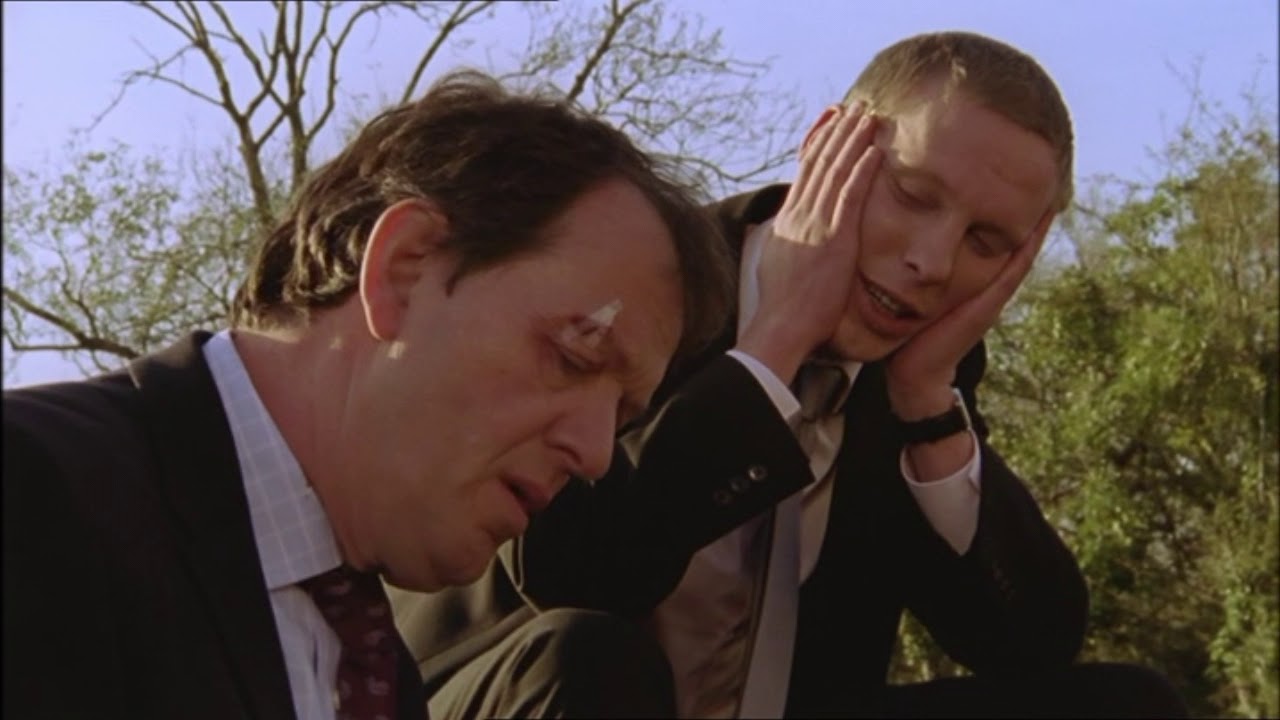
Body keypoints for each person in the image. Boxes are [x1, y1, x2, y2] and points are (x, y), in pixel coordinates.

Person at [389, 32, 1190, 718]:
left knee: (1128, 707)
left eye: (985, 243)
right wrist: (773, 347)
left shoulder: (918, 373)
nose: (932, 261)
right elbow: (572, 574)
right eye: (913, 195)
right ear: (826, 146)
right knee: (589, 653)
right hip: (519, 694)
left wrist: (928, 407)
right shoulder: (644, 277)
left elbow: (1032, 644)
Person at [2, 70, 736, 720]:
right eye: (575, 357)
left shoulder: (377, 676)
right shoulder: (33, 496)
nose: (597, 453)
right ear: (402, 268)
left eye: (623, 413)